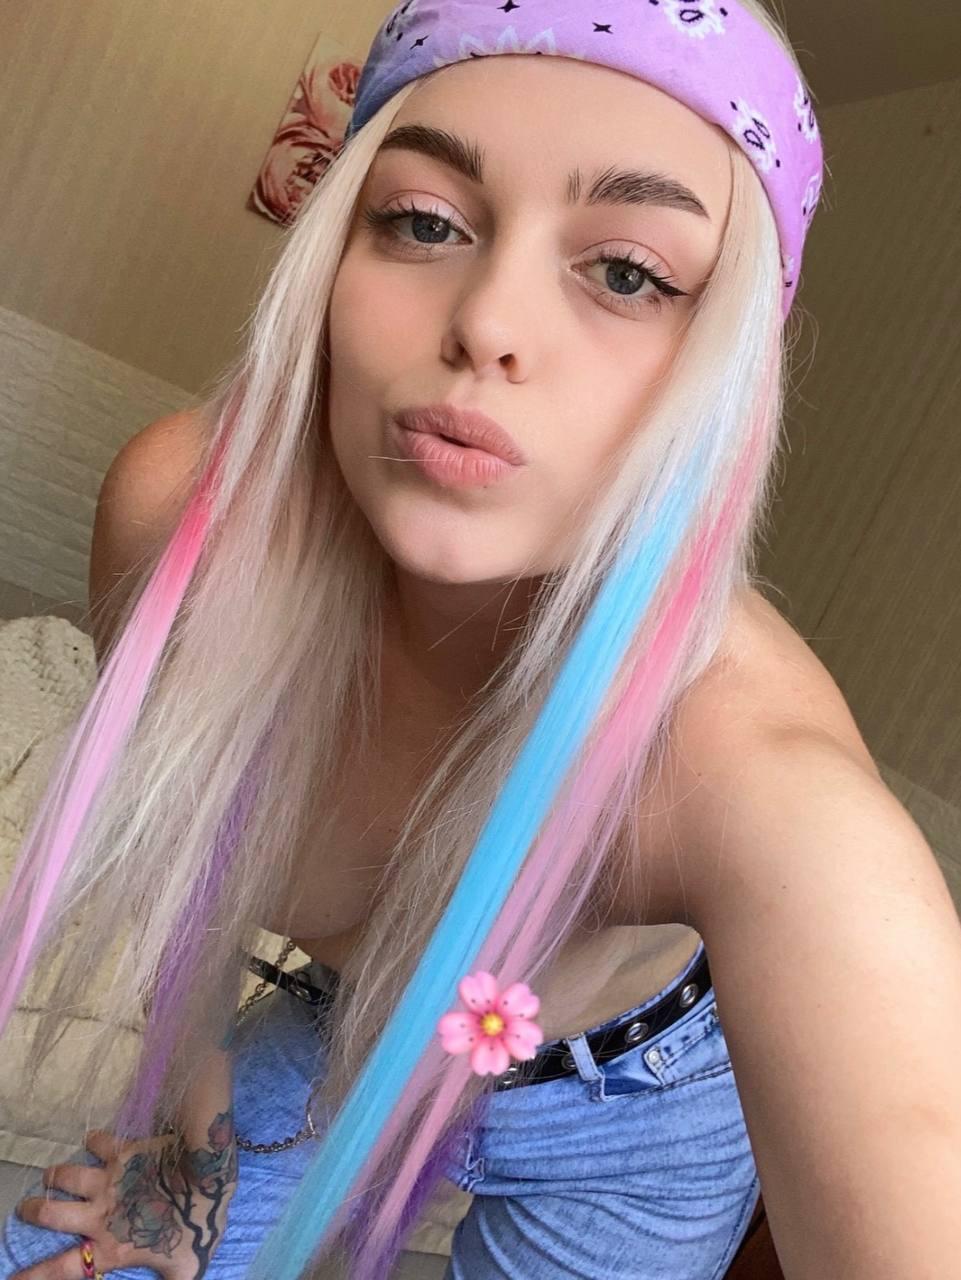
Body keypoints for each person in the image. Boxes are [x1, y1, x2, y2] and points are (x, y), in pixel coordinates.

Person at [4, 2, 961, 1279]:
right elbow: (200, 877)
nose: (488, 324)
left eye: (626, 272)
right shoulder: (178, 523)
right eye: (422, 221)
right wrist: (193, 1144)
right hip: (359, 1023)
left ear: (723, 367)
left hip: (637, 1116)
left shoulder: (752, 779)